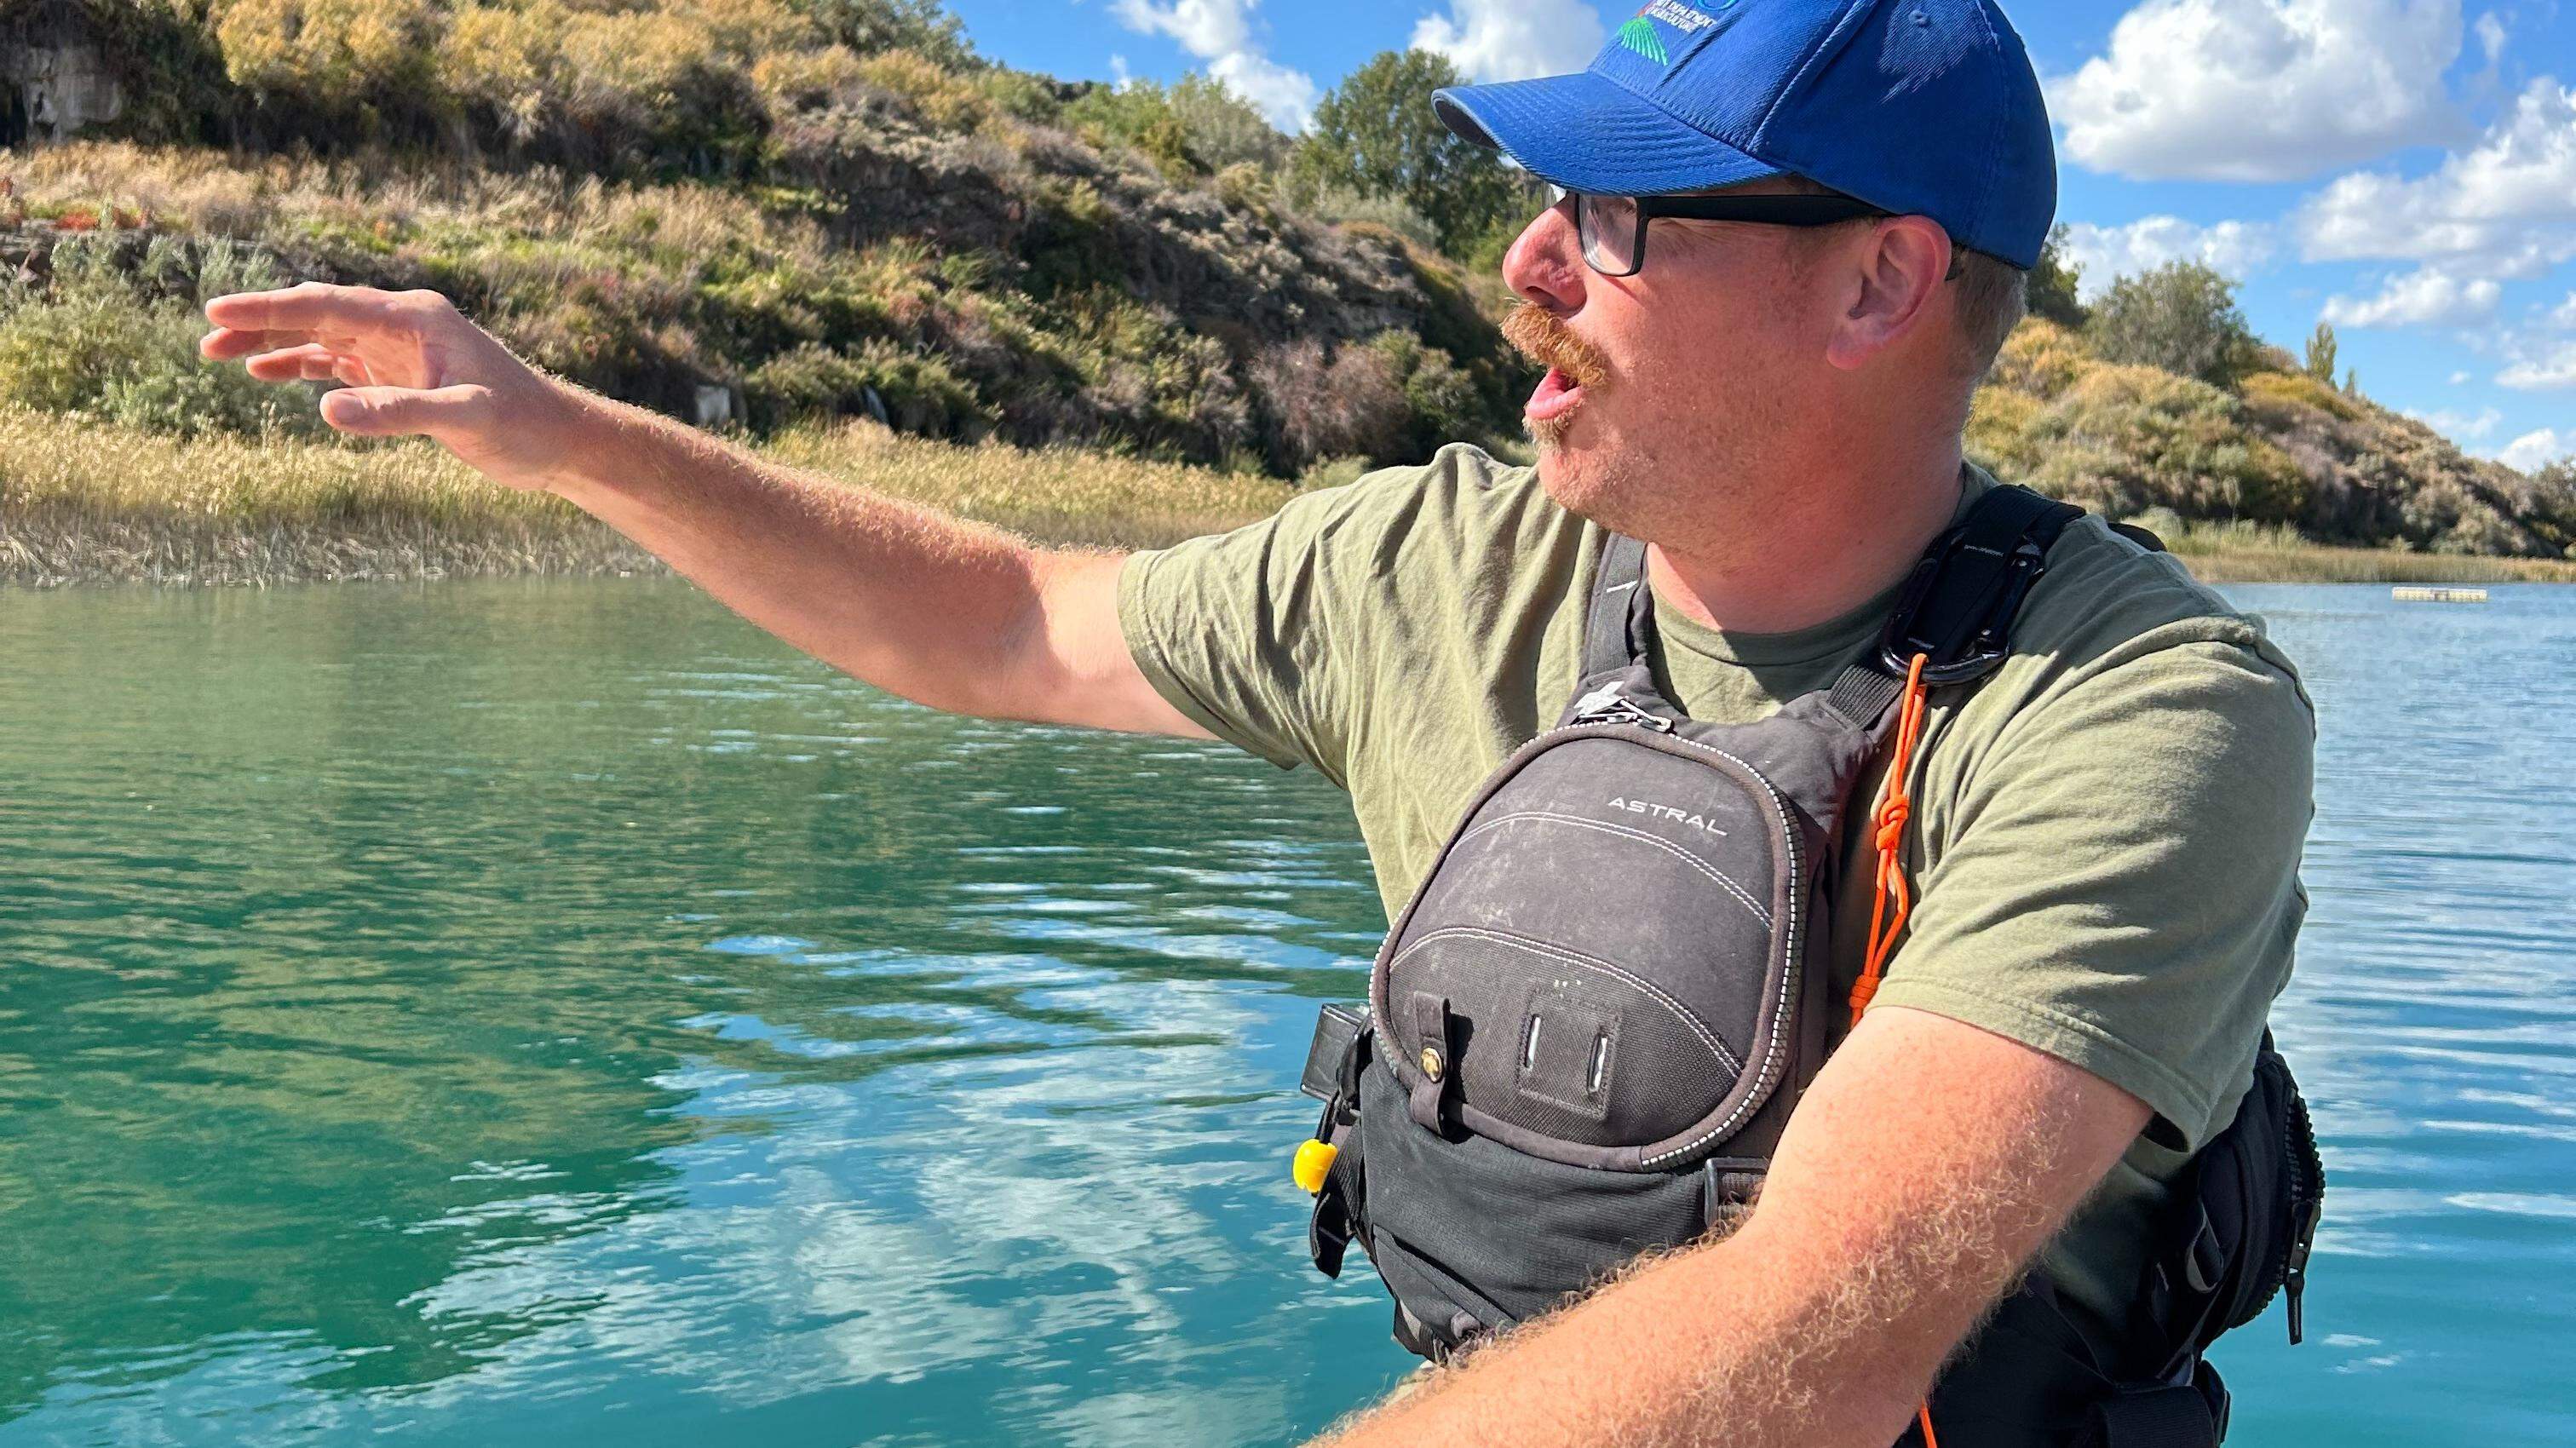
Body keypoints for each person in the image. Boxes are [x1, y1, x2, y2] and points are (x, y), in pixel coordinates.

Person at [197, 1, 2315, 1442]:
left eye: (1617, 216)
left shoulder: (2140, 711)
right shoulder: (1439, 567)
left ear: (1879, 285)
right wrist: (566, 434)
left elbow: (1811, 1342)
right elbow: (1007, 617)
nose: (1529, 260)